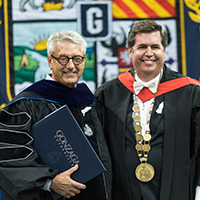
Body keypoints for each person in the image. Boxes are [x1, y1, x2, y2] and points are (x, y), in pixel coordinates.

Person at [95, 20, 200, 200]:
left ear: (165, 51)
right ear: (130, 51)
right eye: (142, 46)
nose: (149, 53)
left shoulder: (190, 93)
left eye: (155, 47)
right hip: (123, 193)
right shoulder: (108, 94)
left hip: (175, 192)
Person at [0, 30, 112, 200]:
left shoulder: (90, 102)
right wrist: (50, 182)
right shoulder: (26, 104)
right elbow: (10, 156)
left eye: (77, 59)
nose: (71, 65)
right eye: (63, 59)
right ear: (50, 61)